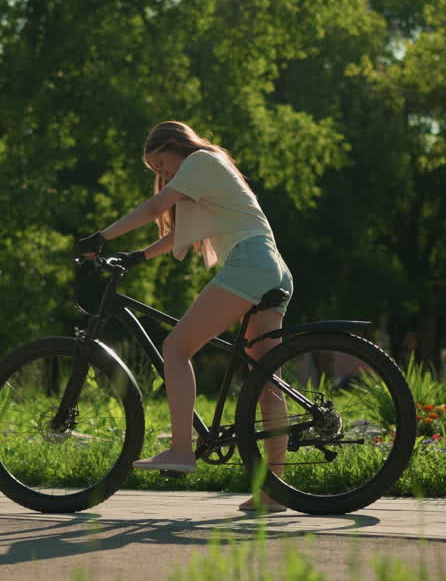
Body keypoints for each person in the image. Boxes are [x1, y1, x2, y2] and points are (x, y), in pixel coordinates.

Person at [75, 121, 294, 512]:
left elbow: (155, 208)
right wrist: (138, 256)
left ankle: (180, 449)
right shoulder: (210, 169)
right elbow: (182, 235)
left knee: (175, 348)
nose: (163, 175)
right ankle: (273, 491)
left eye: (161, 164)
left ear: (174, 144)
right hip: (272, 267)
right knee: (266, 380)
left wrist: (102, 237)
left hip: (249, 263)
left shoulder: (201, 160)